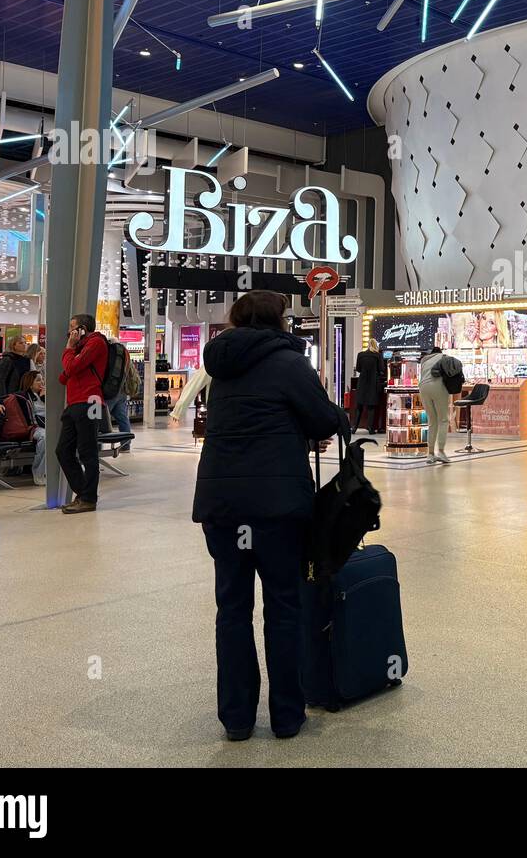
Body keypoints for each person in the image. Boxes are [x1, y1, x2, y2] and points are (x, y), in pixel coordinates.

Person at [192, 290, 347, 742]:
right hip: (277, 506)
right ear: (279, 320)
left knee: (232, 609)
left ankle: (237, 719)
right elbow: (321, 420)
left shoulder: (220, 365)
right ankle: (286, 716)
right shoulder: (288, 361)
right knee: (283, 606)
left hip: (222, 505)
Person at [56, 313, 109, 515]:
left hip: (91, 402)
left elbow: (70, 367)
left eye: (72, 327)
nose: (69, 332)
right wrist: (72, 357)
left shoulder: (96, 343)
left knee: (88, 452)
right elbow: (64, 376)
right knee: (63, 450)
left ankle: (88, 499)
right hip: (75, 404)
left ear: (82, 329)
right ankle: (84, 492)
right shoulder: (80, 348)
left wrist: (69, 349)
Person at [418, 345, 463, 464]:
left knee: (432, 421)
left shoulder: (424, 361)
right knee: (443, 420)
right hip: (438, 387)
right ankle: (441, 452)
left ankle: (430, 454)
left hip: (423, 388)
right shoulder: (444, 357)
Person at [107, 348, 140, 449]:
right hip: (122, 391)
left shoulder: (111, 356)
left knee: (100, 417)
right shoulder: (124, 355)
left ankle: (95, 444)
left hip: (111, 391)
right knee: (123, 419)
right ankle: (126, 445)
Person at [351, 339, 386, 434]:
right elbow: (381, 369)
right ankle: (370, 429)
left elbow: (358, 368)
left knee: (359, 406)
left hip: (362, 382)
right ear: (376, 346)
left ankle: (354, 428)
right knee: (371, 407)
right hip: (373, 382)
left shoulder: (360, 355)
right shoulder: (378, 355)